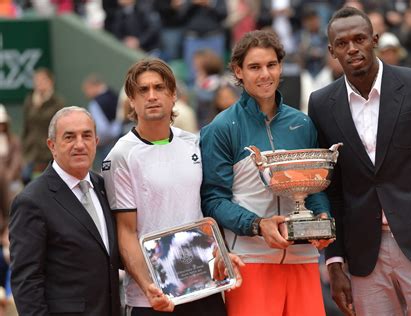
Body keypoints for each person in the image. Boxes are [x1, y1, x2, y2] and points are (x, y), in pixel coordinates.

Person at [308, 7, 411, 315]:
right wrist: (335, 261)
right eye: (342, 43)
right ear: (331, 51)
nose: (352, 48)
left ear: (374, 40)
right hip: (364, 254)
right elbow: (331, 190)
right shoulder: (321, 104)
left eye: (360, 39)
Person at [200, 30, 332, 316]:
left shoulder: (302, 123)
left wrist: (322, 218)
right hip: (250, 260)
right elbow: (213, 200)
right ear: (238, 71)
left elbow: (314, 188)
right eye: (255, 67)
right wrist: (258, 225)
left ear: (281, 67)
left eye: (271, 65)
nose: (265, 74)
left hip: (303, 259)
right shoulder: (221, 128)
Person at [101, 58, 243, 315]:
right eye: (143, 90)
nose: (152, 96)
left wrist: (222, 252)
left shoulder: (194, 143)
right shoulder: (120, 156)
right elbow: (126, 232)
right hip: (153, 299)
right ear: (132, 100)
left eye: (159, 88)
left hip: (204, 287)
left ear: (173, 95)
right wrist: (148, 287)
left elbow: (208, 209)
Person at [9, 106, 121, 315]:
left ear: (96, 142)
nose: (80, 144)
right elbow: (26, 282)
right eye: (69, 137)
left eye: (86, 136)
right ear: (52, 145)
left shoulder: (104, 187)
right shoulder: (31, 201)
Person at [21, 68, 64, 185]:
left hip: (49, 152)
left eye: (43, 80)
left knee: (48, 184)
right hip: (31, 152)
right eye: (37, 80)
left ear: (51, 82)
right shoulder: (29, 101)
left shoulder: (57, 102)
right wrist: (24, 147)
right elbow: (26, 126)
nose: (39, 83)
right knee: (26, 180)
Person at [82, 74, 121, 170]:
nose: (86, 94)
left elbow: (102, 130)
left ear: (93, 86)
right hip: (120, 139)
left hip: (106, 145)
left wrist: (96, 142)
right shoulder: (114, 95)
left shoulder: (95, 103)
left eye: (87, 90)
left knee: (108, 172)